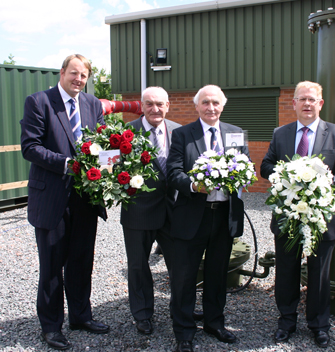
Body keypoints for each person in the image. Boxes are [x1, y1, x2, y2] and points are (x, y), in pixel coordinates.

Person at [20, 54, 109, 350]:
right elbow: (30, 147)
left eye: (83, 75)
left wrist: (112, 164)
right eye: (74, 73)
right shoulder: (39, 102)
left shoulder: (93, 105)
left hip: (85, 197)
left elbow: (103, 145)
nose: (78, 80)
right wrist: (67, 164)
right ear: (62, 73)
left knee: (82, 262)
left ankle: (81, 316)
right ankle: (51, 326)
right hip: (52, 198)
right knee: (51, 265)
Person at [260, 81, 335, 348]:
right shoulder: (281, 133)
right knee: (286, 271)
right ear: (293, 103)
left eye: (312, 99)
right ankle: (286, 321)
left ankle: (319, 325)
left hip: (321, 217)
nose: (307, 104)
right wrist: (285, 176)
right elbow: (265, 165)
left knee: (319, 274)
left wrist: (322, 186)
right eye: (301, 99)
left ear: (320, 103)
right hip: (287, 216)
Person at [166, 85, 248, 352]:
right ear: (197, 106)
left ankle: (214, 322)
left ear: (222, 106)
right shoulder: (182, 134)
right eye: (205, 103)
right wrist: (193, 185)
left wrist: (242, 175)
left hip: (224, 216)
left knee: (217, 274)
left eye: (215, 103)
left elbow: (246, 166)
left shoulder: (235, 133)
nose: (211, 107)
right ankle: (184, 331)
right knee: (185, 277)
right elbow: (173, 171)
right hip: (192, 215)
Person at [120, 86, 181, 335]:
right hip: (138, 211)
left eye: (160, 104)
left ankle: (181, 308)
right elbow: (112, 168)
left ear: (168, 105)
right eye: (149, 104)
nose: (155, 109)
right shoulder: (126, 134)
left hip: (175, 211)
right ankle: (142, 314)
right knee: (138, 266)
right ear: (141, 106)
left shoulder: (179, 131)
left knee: (180, 265)